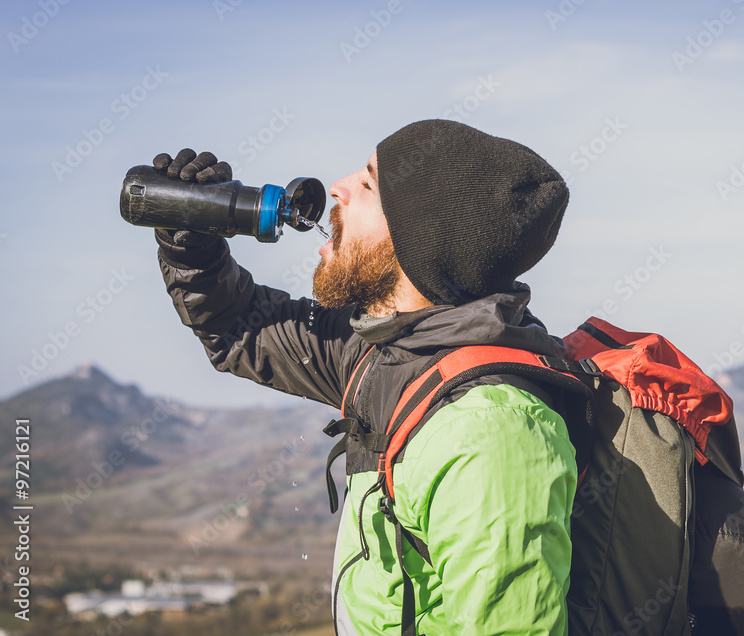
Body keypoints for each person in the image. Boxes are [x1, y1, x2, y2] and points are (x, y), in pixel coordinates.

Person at [152, 119, 581, 635]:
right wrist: (191, 250)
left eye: (368, 184)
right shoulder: (382, 353)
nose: (337, 187)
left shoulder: (491, 429)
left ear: (420, 243)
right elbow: (241, 330)